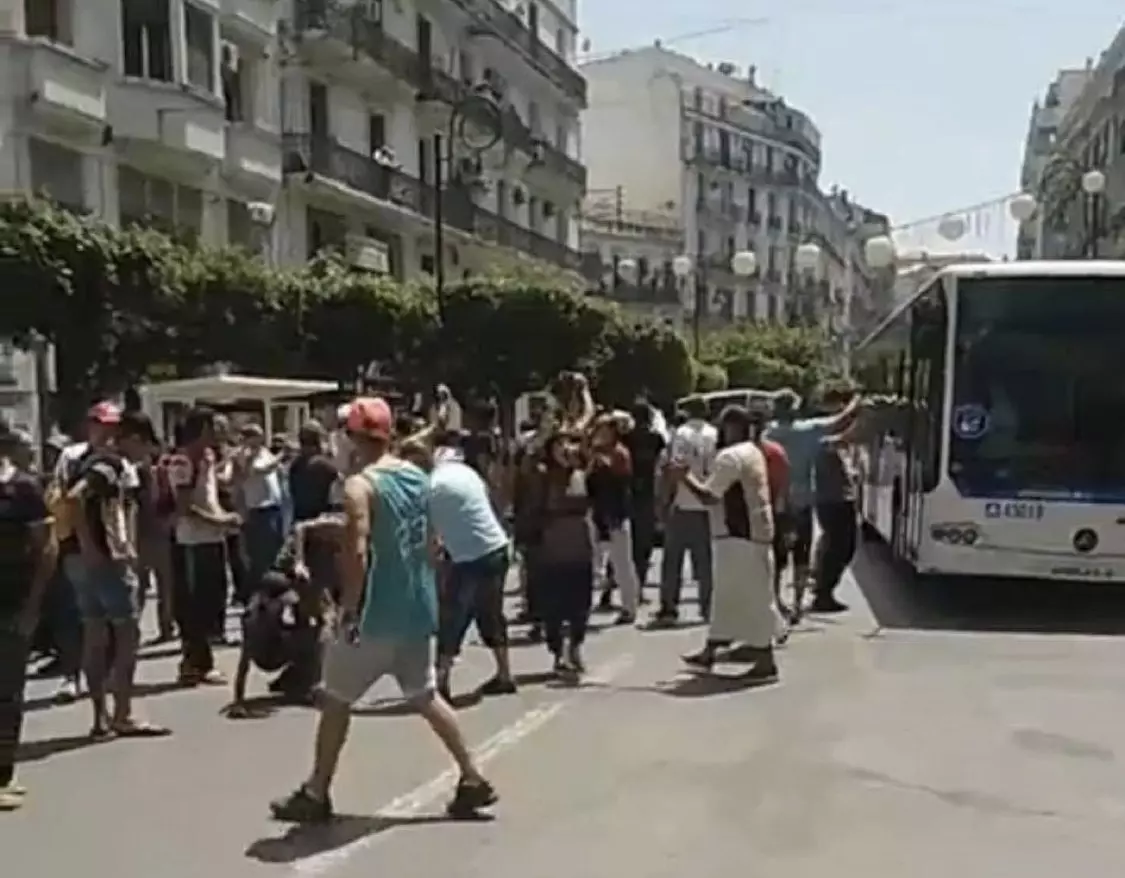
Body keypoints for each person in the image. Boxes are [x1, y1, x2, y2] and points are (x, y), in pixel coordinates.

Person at [270, 397, 496, 823]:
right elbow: (432, 542)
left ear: (353, 437)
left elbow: (357, 549)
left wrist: (349, 608)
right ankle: (471, 776)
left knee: (336, 699)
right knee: (425, 694)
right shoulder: (415, 476)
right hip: (416, 604)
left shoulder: (360, 485)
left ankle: (316, 792)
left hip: (376, 611)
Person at [70, 415, 170, 739]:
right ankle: (122, 714)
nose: (145, 452)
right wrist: (91, 547)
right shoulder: (110, 464)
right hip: (106, 561)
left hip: (85, 562)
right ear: (131, 438)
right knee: (127, 636)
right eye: (143, 443)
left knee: (95, 634)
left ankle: (100, 717)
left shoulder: (87, 459)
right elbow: (76, 497)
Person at [670, 406, 779, 682]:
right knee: (729, 597)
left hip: (738, 536)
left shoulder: (731, 457)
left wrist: (684, 478)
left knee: (751, 598)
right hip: (752, 534)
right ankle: (713, 649)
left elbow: (710, 497)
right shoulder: (753, 451)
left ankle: (765, 659)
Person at [407, 436, 517, 701]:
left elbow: (429, 539)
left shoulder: (428, 489)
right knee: (490, 613)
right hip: (496, 546)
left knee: (452, 618)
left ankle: (441, 680)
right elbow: (487, 503)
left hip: (468, 557)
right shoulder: (464, 471)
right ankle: (505, 674)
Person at [0, 423, 56, 811]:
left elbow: (46, 548)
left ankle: (3, 773)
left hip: (12, 602)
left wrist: (34, 605)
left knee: (7, 693)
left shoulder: (22, 489)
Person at [764, 388, 860, 613]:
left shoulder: (767, 433)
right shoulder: (808, 431)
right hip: (802, 501)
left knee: (777, 556)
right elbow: (842, 420)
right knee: (801, 553)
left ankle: (776, 601)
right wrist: (856, 402)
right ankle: (798, 602)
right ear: (796, 409)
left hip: (774, 501)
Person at [167, 407, 241, 686]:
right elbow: (185, 507)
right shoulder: (183, 461)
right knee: (193, 604)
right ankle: (192, 662)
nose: (219, 433)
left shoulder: (208, 458)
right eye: (214, 428)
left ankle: (202, 660)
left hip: (212, 539)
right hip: (191, 541)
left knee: (212, 601)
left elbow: (211, 492)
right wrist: (219, 520)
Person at [522, 432, 595, 677]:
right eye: (559, 445)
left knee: (581, 604)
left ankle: (575, 646)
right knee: (554, 606)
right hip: (551, 549)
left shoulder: (582, 474)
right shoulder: (542, 476)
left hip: (580, 546)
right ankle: (558, 653)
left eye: (569, 444)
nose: (566, 449)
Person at [656, 396, 717, 625]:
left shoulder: (680, 434)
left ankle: (669, 608)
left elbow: (674, 468)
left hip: (683, 502)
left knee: (673, 560)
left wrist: (664, 500)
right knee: (705, 561)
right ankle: (708, 606)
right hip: (708, 504)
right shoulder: (714, 434)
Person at [587, 414, 641, 625]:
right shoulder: (595, 453)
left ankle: (630, 607)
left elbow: (623, 482)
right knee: (595, 561)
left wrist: (606, 465)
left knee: (622, 564)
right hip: (598, 512)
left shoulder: (620, 453)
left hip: (616, 514)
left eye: (604, 430)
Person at [812, 416, 862, 613]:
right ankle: (823, 593)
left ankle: (824, 589)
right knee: (839, 547)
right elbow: (846, 436)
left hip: (838, 500)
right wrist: (859, 416)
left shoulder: (832, 445)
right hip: (833, 502)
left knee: (841, 547)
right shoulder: (824, 443)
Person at [234, 423, 285, 593]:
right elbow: (261, 469)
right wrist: (283, 455)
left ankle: (270, 591)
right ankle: (252, 593)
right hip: (259, 511)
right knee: (260, 556)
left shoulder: (264, 452)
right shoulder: (243, 455)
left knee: (274, 552)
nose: (261, 439)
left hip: (275, 508)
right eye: (256, 435)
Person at [623, 399, 666, 594]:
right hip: (647, 494)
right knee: (644, 544)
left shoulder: (626, 438)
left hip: (627, 493)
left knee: (625, 545)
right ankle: (638, 587)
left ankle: (611, 590)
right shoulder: (656, 438)